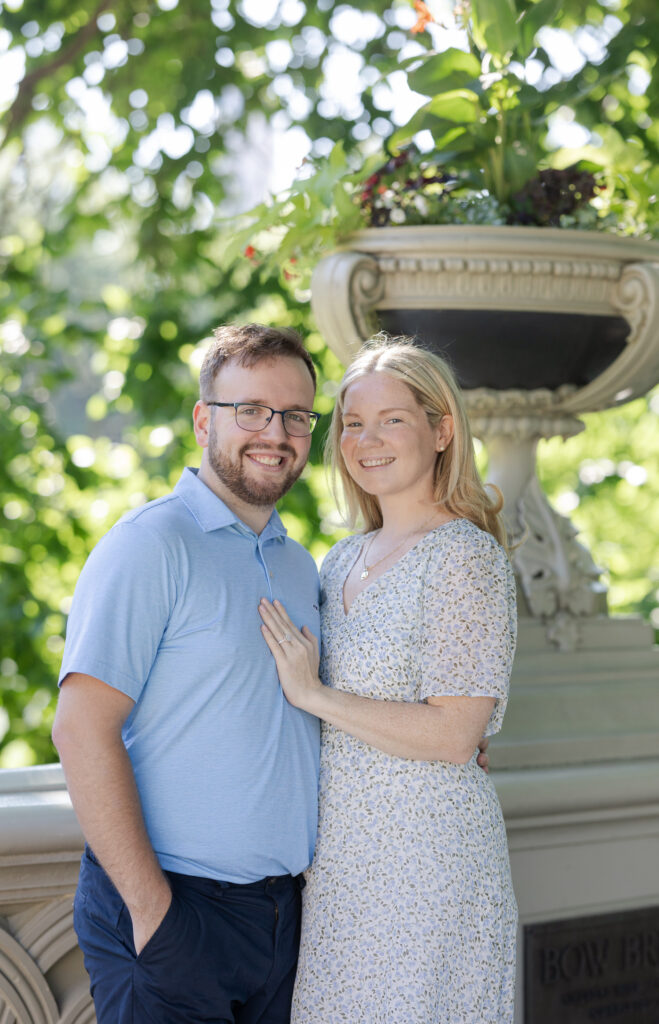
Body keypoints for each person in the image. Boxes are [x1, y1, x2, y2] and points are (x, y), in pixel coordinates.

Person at [52, 324, 325, 1024]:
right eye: (252, 410)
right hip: (174, 908)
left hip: (283, 916)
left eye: (295, 415)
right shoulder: (150, 544)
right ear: (205, 419)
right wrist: (153, 911)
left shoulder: (298, 566)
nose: (276, 431)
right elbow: (81, 729)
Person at [258, 338, 518, 1024]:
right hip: (341, 868)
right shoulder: (339, 560)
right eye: (351, 422)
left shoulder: (465, 556)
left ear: (441, 430)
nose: (366, 440)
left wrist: (315, 694)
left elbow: (454, 736)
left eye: (391, 420)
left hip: (429, 864)